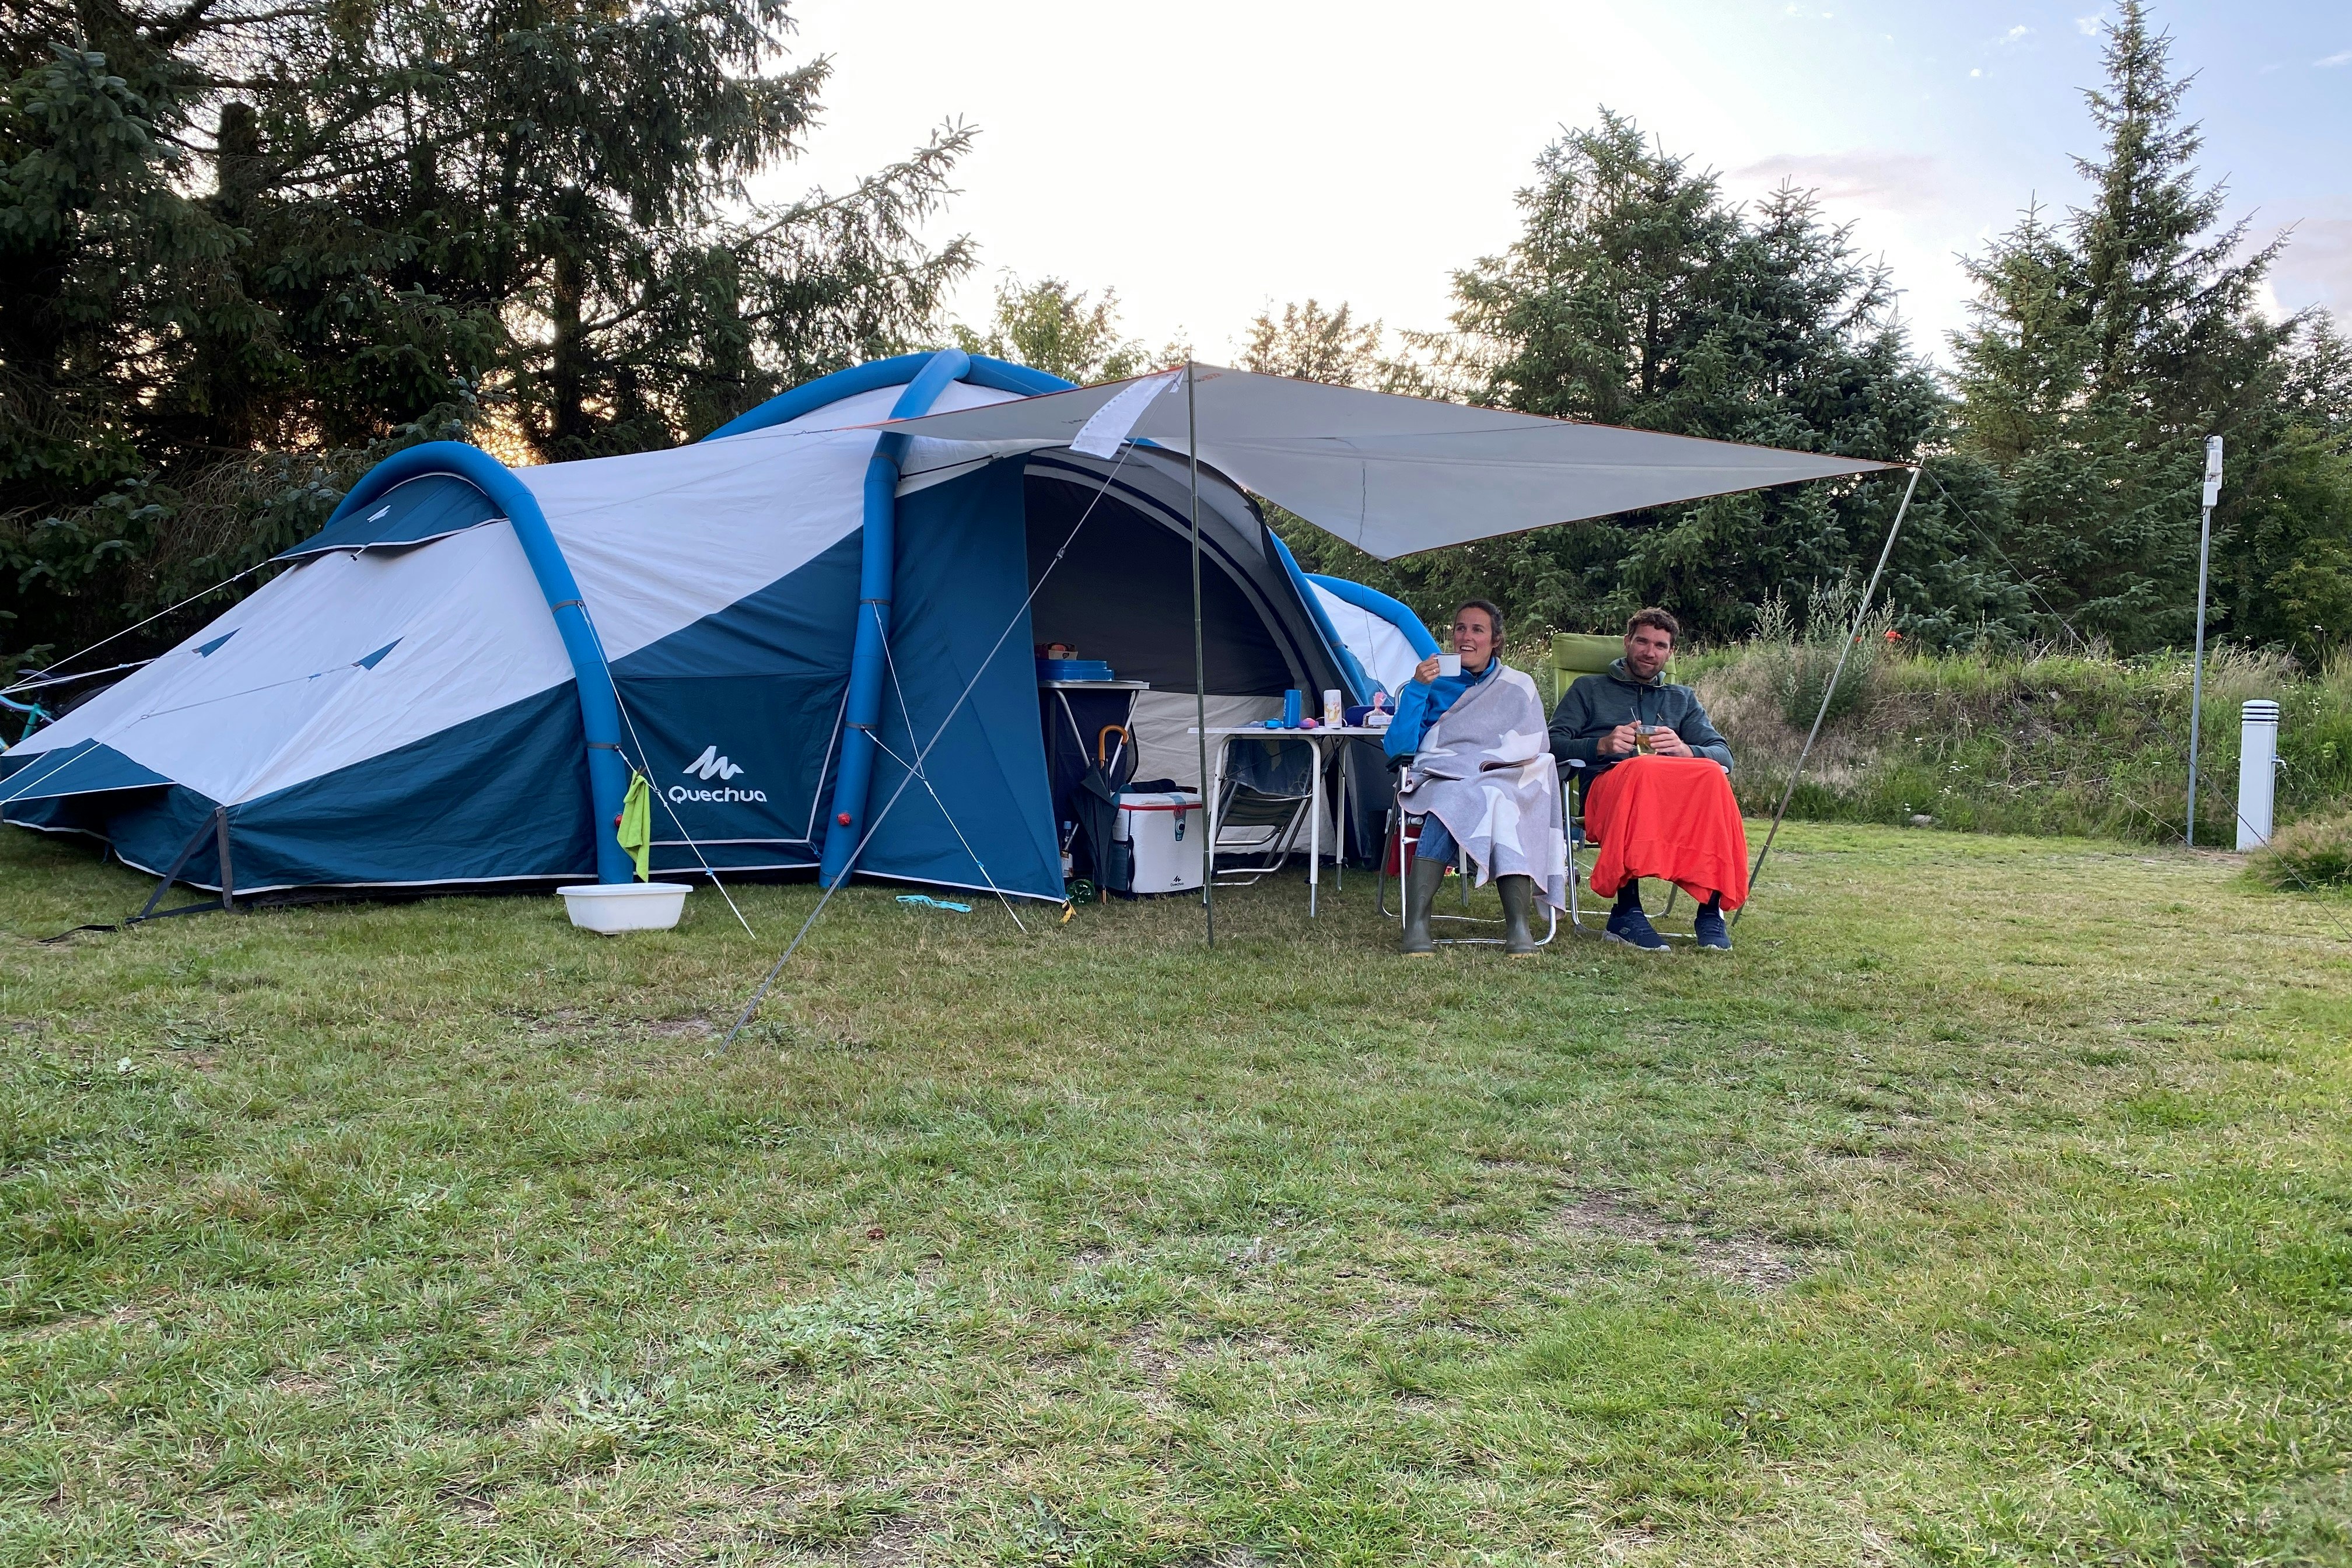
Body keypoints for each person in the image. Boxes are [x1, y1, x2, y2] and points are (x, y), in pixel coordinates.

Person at [1548, 607, 1746, 952]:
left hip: (1670, 800)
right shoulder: (1588, 689)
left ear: (1670, 653)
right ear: (1627, 643)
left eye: (1660, 645)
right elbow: (1551, 742)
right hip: (1608, 790)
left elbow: (1723, 754)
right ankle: (1625, 911)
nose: (1649, 652)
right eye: (1642, 641)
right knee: (1641, 770)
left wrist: (1687, 750)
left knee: (1713, 774)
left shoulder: (1681, 699)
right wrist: (1602, 744)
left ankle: (1710, 911)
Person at [1387, 600, 1560, 956]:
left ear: (1495, 640)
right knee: (1453, 798)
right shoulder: (1433, 685)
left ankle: (1519, 925)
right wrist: (1418, 689)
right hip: (1443, 773)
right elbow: (1398, 747)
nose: (1466, 637)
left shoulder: (1519, 685)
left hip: (1503, 776)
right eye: (1460, 628)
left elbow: (1534, 745)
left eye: (1477, 630)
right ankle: (1417, 921)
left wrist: (1492, 767)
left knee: (1499, 797)